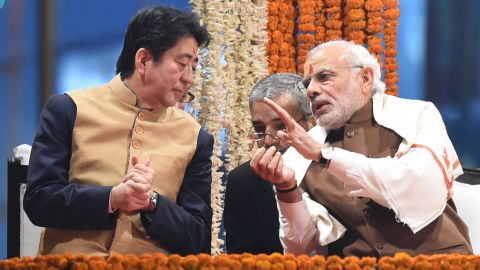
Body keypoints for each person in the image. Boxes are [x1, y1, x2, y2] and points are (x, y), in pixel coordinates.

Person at [250, 40, 473, 257]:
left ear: (365, 78)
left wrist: (324, 156)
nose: (311, 91)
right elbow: (302, 251)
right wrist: (287, 190)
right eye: (307, 83)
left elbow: (418, 185)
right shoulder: (299, 155)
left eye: (324, 77)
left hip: (440, 260)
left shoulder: (416, 115)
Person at [24, 6, 213, 256]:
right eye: (181, 63)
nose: (189, 78)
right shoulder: (70, 109)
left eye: (194, 67)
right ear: (143, 59)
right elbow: (39, 200)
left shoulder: (194, 137)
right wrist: (112, 198)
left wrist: (151, 203)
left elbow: (198, 237)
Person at [224, 73, 312, 254]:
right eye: (259, 129)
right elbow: (241, 259)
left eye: (281, 126)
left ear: (310, 123)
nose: (268, 141)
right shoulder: (242, 181)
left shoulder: (332, 167)